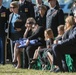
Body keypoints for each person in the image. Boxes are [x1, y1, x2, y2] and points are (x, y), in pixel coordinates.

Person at [0, 0, 9, 64]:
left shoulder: (5, 10)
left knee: (2, 45)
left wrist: (6, 29)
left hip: (2, 30)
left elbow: (7, 20)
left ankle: (2, 61)